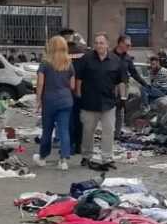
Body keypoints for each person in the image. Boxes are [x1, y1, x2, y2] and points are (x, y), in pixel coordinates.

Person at [75, 33, 126, 168]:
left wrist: (122, 98)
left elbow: (121, 81)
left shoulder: (116, 60)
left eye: (101, 43)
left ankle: (107, 158)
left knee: (109, 131)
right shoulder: (86, 59)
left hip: (108, 103)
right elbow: (78, 78)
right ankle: (86, 156)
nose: (99, 45)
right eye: (96, 43)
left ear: (107, 45)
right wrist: (78, 95)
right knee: (88, 131)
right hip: (89, 102)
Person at [33, 35, 76, 171]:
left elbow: (40, 83)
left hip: (50, 101)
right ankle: (63, 160)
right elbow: (73, 85)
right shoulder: (69, 63)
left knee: (47, 129)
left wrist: (38, 100)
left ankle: (42, 157)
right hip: (66, 100)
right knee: (64, 130)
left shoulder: (45, 63)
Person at [112, 35, 148, 138]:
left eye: (130, 45)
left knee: (120, 109)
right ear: (120, 43)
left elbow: (134, 73)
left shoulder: (127, 58)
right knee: (109, 109)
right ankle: (110, 132)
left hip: (123, 86)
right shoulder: (110, 55)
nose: (129, 47)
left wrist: (144, 84)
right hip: (112, 86)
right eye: (127, 45)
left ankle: (117, 134)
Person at [59, 28, 88, 154]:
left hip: (65, 91)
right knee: (79, 119)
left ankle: (69, 145)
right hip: (80, 91)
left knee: (67, 119)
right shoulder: (82, 51)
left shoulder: (60, 52)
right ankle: (79, 145)